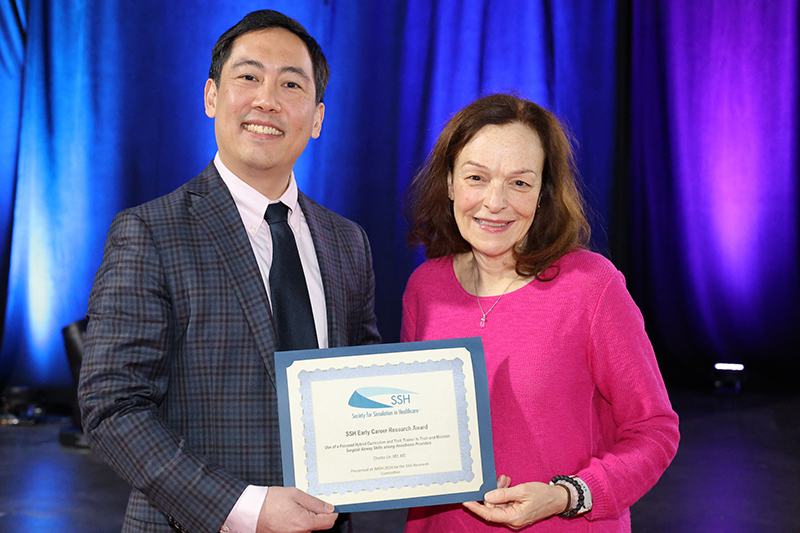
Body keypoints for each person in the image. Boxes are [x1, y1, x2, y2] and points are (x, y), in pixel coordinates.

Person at [78, 10, 380, 533]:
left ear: (317, 118)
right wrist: (246, 509)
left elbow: (363, 386)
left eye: (291, 83)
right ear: (212, 97)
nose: (267, 98)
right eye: (248, 77)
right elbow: (112, 408)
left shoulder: (347, 241)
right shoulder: (149, 232)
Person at [401, 93, 679, 531]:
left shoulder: (592, 286)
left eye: (519, 183)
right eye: (476, 177)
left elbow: (654, 430)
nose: (495, 202)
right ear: (450, 182)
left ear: (543, 193)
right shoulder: (425, 287)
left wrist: (567, 495)